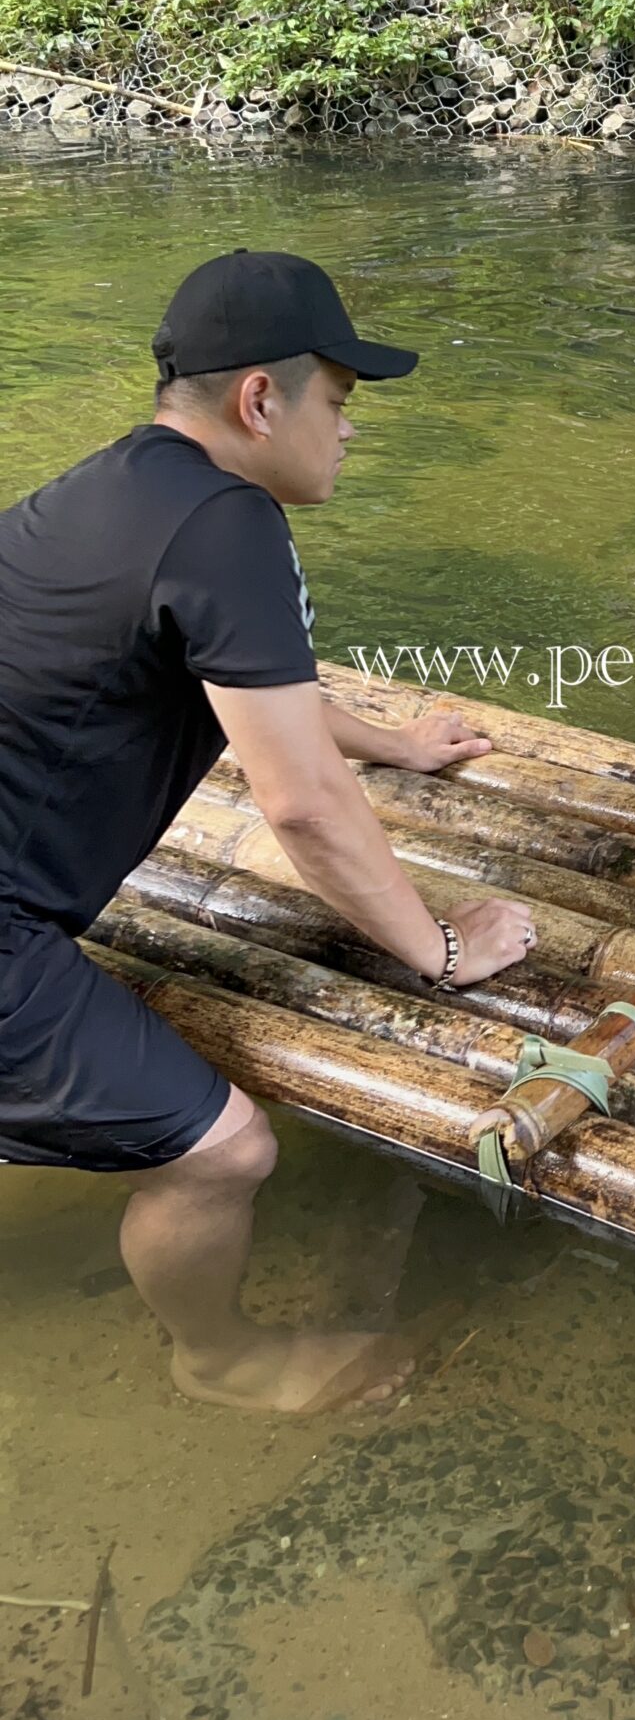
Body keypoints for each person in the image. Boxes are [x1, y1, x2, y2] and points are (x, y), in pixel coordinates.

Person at [0, 248, 535, 1412]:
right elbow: (299, 808)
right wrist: (440, 951)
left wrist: (394, 743)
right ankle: (219, 1360)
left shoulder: (116, 489)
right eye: (337, 402)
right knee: (223, 1150)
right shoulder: (230, 526)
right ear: (260, 400)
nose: (349, 432)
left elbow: (238, 679)